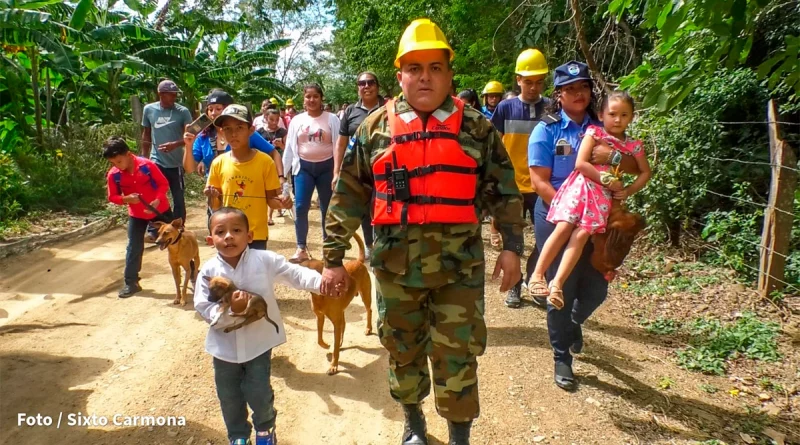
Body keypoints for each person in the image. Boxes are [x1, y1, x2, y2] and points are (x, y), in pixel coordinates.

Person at [320, 18, 525, 445]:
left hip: (459, 269)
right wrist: (334, 259)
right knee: (402, 347)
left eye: (435, 67)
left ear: (450, 74)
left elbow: (504, 189)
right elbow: (348, 195)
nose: (425, 77)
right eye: (415, 68)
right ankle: (413, 423)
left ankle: (459, 435)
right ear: (400, 76)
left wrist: (512, 249)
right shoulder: (373, 129)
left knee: (458, 354)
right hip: (396, 268)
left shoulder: (478, 129)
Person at [528, 61, 641, 390]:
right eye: (570, 88)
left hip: (600, 215)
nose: (578, 93)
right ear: (558, 94)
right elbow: (539, 182)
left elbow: (635, 164)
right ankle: (561, 356)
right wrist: (572, 213)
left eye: (584, 87)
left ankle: (575, 322)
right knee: (560, 286)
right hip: (558, 212)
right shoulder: (546, 130)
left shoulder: (604, 126)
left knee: (596, 288)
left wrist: (614, 159)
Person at [195, 207, 322, 445]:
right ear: (211, 239)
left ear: (250, 236)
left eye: (236, 230)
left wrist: (323, 283)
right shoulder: (209, 271)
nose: (229, 236)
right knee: (229, 397)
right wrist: (232, 310)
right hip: (223, 350)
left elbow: (295, 274)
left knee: (259, 392)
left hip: (258, 346)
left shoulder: (264, 260)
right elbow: (202, 306)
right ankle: (238, 436)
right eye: (221, 232)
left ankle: (265, 431)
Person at [529, 90, 651, 307]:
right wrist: (606, 179)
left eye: (624, 115)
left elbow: (645, 172)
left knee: (582, 234)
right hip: (581, 189)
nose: (618, 119)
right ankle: (537, 275)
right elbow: (581, 164)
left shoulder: (634, 146)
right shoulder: (594, 132)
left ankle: (557, 285)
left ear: (632, 117)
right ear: (601, 115)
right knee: (564, 227)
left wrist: (628, 190)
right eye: (613, 114)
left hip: (603, 198)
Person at [489, 48, 551, 308]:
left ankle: (535, 279)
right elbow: (491, 143)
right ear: (518, 80)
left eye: (538, 81)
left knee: (545, 239)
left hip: (542, 185)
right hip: (511, 186)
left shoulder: (551, 108)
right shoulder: (505, 108)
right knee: (513, 241)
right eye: (528, 81)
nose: (533, 87)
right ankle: (515, 287)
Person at [205, 105, 293, 251]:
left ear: (251, 130)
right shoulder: (218, 163)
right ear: (221, 131)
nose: (233, 134)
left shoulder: (265, 162)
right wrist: (212, 196)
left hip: (256, 235)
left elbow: (272, 200)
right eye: (227, 128)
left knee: (256, 273)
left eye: (239, 128)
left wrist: (283, 203)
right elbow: (215, 206)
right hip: (228, 236)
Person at [103, 136, 174, 298]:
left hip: (159, 210)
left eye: (119, 161)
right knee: (133, 246)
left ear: (128, 154)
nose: (116, 166)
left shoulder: (147, 165)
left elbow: (163, 184)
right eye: (113, 163)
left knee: (178, 240)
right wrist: (125, 199)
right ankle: (131, 282)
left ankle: (192, 271)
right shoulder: (114, 175)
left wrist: (157, 199)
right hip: (136, 214)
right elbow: (112, 197)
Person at [282, 83, 340, 263]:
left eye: (315, 96)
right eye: (308, 96)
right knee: (300, 207)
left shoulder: (332, 119)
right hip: (303, 169)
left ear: (321, 98)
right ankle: (301, 247)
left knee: (327, 209)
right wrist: (283, 175)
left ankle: (328, 245)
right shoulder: (297, 121)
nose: (312, 100)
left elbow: (339, 146)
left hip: (327, 168)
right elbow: (290, 149)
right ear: (303, 99)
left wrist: (338, 171)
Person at [333, 71, 386, 259]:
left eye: (370, 82)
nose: (366, 86)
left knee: (385, 206)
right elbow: (341, 143)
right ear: (358, 88)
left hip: (385, 168)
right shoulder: (350, 112)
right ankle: (371, 246)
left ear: (377, 86)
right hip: (358, 169)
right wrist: (336, 171)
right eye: (362, 83)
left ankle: (385, 245)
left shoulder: (389, 107)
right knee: (364, 210)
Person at [183, 90, 283, 180]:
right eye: (210, 109)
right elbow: (189, 169)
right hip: (214, 193)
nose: (213, 113)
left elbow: (274, 153)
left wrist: (281, 178)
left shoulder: (247, 133)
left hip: (245, 188)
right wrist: (188, 145)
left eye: (218, 109)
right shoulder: (203, 137)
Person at [141, 79, 193, 234]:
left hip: (176, 162)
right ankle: (155, 227)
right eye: (170, 95)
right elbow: (146, 133)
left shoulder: (182, 112)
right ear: (161, 94)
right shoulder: (149, 110)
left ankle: (178, 226)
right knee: (155, 195)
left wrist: (175, 144)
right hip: (156, 161)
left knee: (178, 196)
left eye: (175, 94)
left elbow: (190, 135)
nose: (174, 97)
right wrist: (144, 158)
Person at [257, 109, 289, 225]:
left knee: (275, 188)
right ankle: (270, 214)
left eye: (277, 120)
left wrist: (281, 145)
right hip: (263, 164)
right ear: (265, 118)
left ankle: (270, 216)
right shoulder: (259, 132)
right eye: (271, 119)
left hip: (278, 164)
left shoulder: (282, 132)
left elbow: (288, 149)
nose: (274, 122)